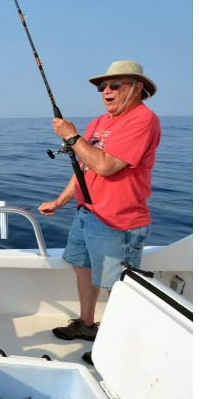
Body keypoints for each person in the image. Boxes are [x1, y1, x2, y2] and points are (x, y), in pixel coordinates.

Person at [37, 60, 163, 351]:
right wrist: (60, 201)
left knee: (118, 288)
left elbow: (106, 166)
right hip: (87, 215)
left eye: (115, 85)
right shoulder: (99, 122)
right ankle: (86, 324)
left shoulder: (143, 120)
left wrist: (72, 136)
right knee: (82, 268)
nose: (106, 90)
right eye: (102, 86)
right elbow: (85, 168)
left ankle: (123, 350)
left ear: (137, 88)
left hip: (117, 222)